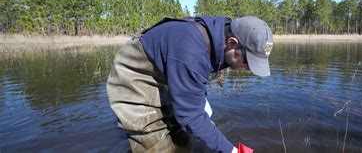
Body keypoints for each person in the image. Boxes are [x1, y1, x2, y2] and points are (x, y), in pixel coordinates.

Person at [106, 15, 273, 152]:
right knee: (155, 143)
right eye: (247, 61)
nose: (249, 68)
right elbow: (190, 115)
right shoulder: (191, 49)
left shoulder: (220, 37)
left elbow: (193, 86)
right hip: (137, 73)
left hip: (169, 68)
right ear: (232, 42)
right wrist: (231, 151)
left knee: (183, 136)